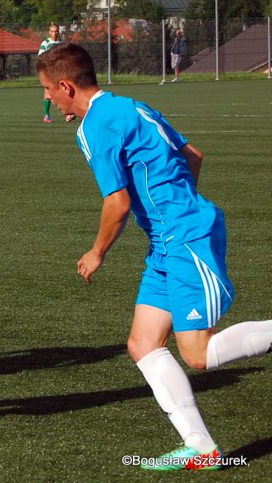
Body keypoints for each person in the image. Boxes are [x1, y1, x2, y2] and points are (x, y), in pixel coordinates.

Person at [37, 43, 272, 471]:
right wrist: (178, 208)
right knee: (143, 344)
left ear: (67, 86)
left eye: (49, 90)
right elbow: (192, 155)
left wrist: (96, 252)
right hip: (170, 239)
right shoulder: (131, 106)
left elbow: (118, 203)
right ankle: (201, 448)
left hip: (184, 239)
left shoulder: (94, 128)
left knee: (198, 355)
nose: (48, 97)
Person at [37, 24, 74, 123]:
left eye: (56, 31)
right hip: (48, 71)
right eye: (52, 31)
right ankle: (47, 115)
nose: (54, 33)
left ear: (59, 32)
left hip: (58, 70)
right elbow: (41, 57)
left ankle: (68, 114)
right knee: (48, 93)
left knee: (63, 90)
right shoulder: (45, 43)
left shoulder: (60, 43)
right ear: (49, 32)